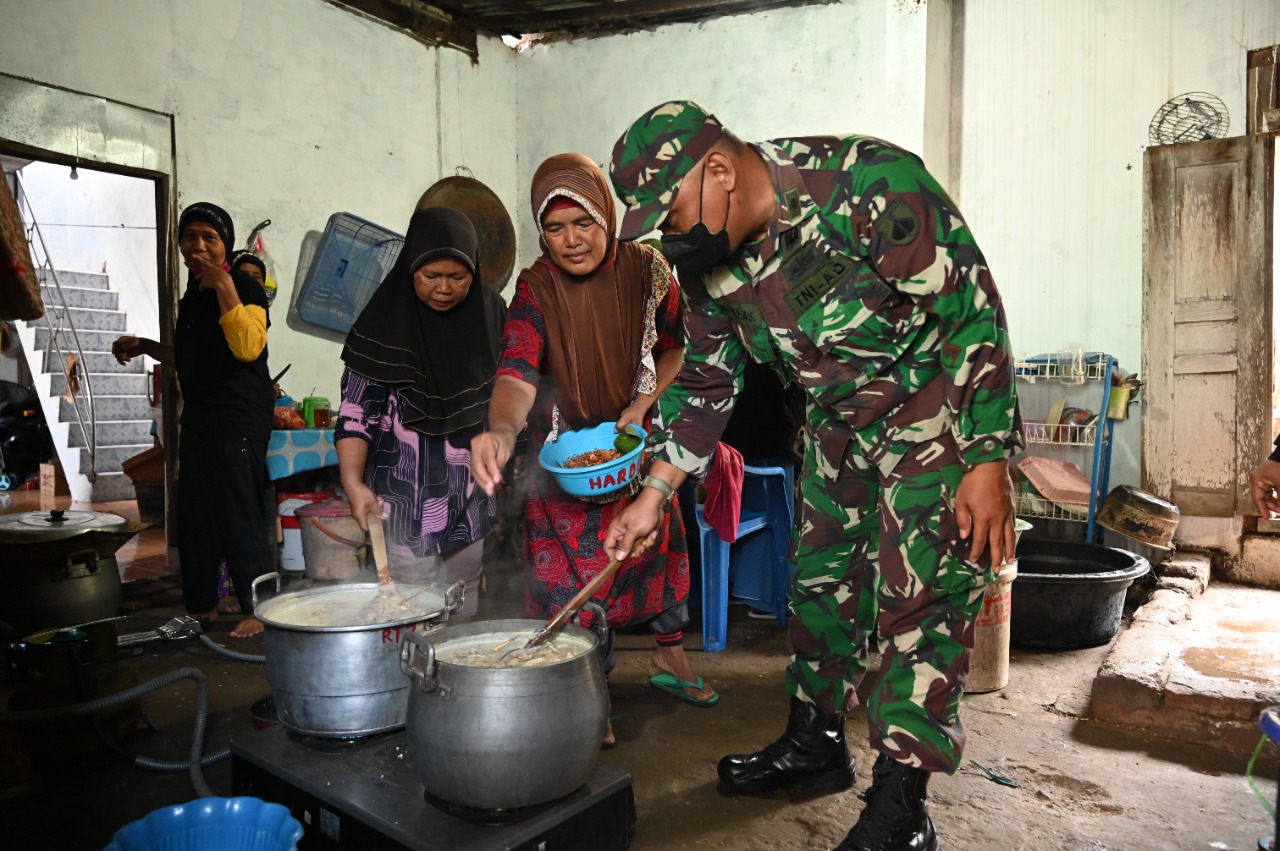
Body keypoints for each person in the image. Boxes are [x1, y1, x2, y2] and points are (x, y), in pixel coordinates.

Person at [604, 102, 1022, 851]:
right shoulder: (708, 266)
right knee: (819, 584)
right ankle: (816, 740)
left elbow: (971, 309)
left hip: (935, 417)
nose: (668, 238)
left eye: (667, 213)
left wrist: (988, 457)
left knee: (918, 604)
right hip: (837, 425)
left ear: (721, 172)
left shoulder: (863, 185)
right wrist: (653, 493)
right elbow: (704, 385)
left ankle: (903, 807)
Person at [470, 153, 717, 747]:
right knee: (573, 578)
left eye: (583, 222)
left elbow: (677, 349)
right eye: (554, 228)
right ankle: (588, 684)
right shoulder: (535, 288)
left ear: (607, 215)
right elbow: (517, 371)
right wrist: (502, 430)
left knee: (660, 553)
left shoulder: (648, 268)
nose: (571, 241)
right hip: (562, 452)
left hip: (635, 446)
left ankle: (669, 658)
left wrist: (643, 403)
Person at [112, 202, 274, 639]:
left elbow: (247, 348)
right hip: (201, 420)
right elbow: (192, 356)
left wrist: (224, 285)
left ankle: (260, 608)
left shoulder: (243, 286)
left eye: (210, 238)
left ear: (225, 246)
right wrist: (146, 345)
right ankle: (201, 606)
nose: (198, 246)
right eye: (190, 237)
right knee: (197, 516)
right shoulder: (192, 294)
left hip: (237, 420)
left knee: (239, 515)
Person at [336, 207, 505, 618]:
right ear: (410, 268)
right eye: (431, 276)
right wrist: (352, 481)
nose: (444, 288)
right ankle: (415, 675)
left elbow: (512, 390)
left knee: (462, 593)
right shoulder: (384, 322)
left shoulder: (491, 312)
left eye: (457, 277)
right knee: (409, 599)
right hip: (399, 494)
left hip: (468, 489)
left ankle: (459, 669)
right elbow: (356, 413)